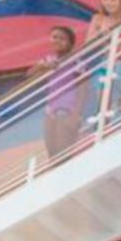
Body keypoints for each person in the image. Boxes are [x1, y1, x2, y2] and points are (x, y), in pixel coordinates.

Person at [35, 26, 89, 163]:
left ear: (70, 43)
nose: (57, 41)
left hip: (67, 109)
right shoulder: (49, 59)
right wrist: (42, 67)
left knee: (62, 149)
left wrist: (76, 114)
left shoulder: (76, 60)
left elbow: (83, 87)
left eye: (62, 38)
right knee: (51, 149)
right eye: (54, 37)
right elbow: (29, 76)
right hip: (50, 108)